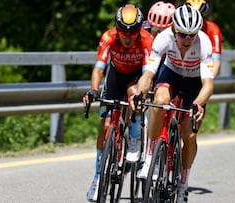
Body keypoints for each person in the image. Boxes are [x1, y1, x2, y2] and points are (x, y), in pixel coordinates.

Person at [131, 4, 214, 202]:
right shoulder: (163, 38)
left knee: (190, 134)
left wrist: (199, 103)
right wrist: (139, 94)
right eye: (183, 34)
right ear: (174, 30)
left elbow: (208, 84)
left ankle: (183, 183)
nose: (187, 39)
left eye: (191, 35)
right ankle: (150, 156)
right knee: (159, 102)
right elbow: (149, 74)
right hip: (173, 74)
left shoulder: (204, 43)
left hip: (195, 82)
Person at [82, 4, 154, 202]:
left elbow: (148, 72)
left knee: (134, 97)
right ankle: (97, 179)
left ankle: (134, 138)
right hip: (114, 77)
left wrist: (141, 95)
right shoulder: (108, 37)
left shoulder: (147, 39)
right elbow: (99, 68)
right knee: (105, 125)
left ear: (140, 29)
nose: (128, 36)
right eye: (123, 31)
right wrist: (93, 90)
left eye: (133, 32)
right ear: (117, 28)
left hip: (136, 77)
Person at [186, 0, 222, 77]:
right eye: (192, 18)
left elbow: (216, 60)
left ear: (206, 17)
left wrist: (210, 80)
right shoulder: (180, 28)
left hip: (202, 67)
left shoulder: (213, 29)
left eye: (200, 18)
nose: (196, 22)